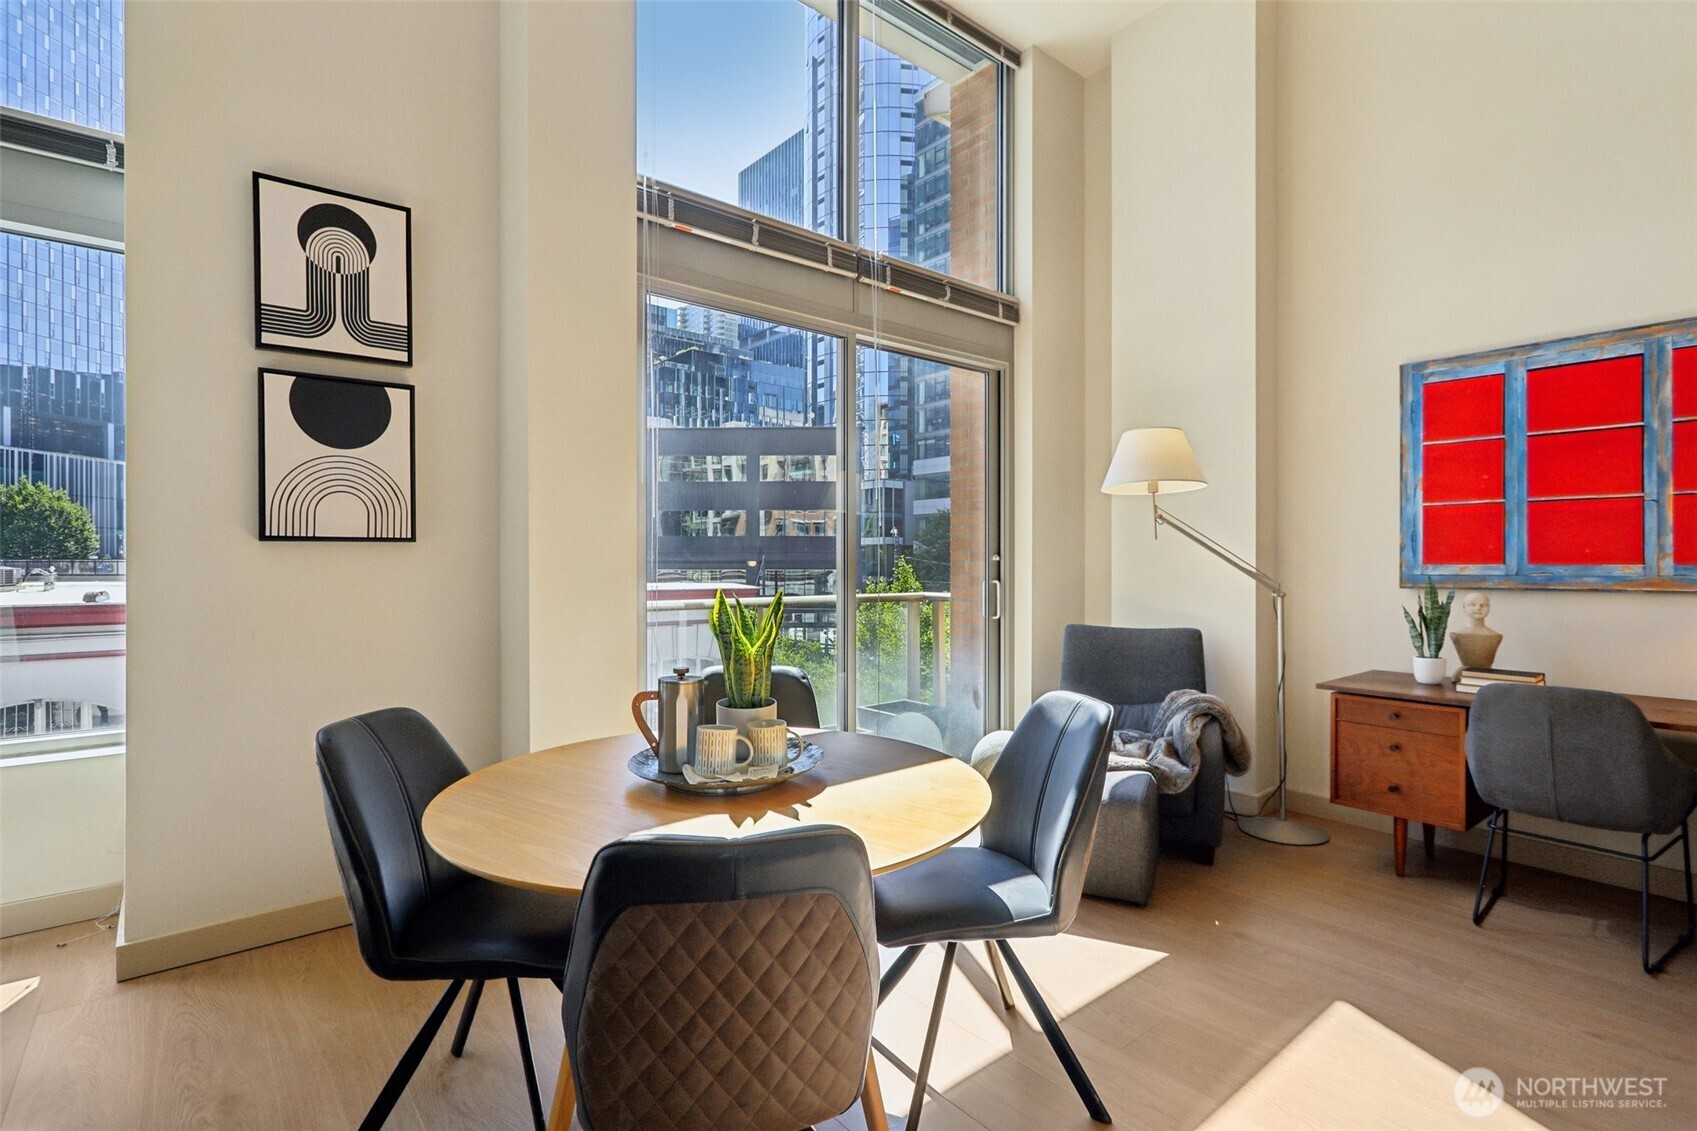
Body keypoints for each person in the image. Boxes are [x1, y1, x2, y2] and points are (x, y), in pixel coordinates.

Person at [1450, 591, 1502, 670]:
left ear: (1489, 609)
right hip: (1464, 676)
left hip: (1486, 675)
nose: (1478, 608)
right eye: (1472, 604)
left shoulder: (1495, 636)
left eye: (1483, 605)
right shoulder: (1457, 635)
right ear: (1464, 608)